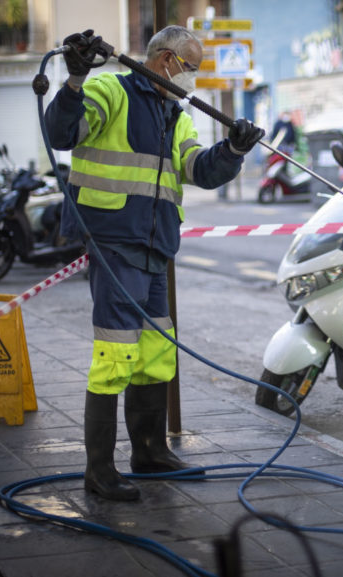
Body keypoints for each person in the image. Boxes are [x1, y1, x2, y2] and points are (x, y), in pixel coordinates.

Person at [44, 26, 264, 501]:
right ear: (165, 60)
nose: (195, 77)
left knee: (156, 355)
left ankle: (148, 450)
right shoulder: (112, 90)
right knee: (115, 356)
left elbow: (198, 169)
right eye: (192, 66)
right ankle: (99, 470)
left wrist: (233, 150)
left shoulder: (174, 115)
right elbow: (62, 133)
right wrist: (76, 80)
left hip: (154, 248)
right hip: (114, 242)